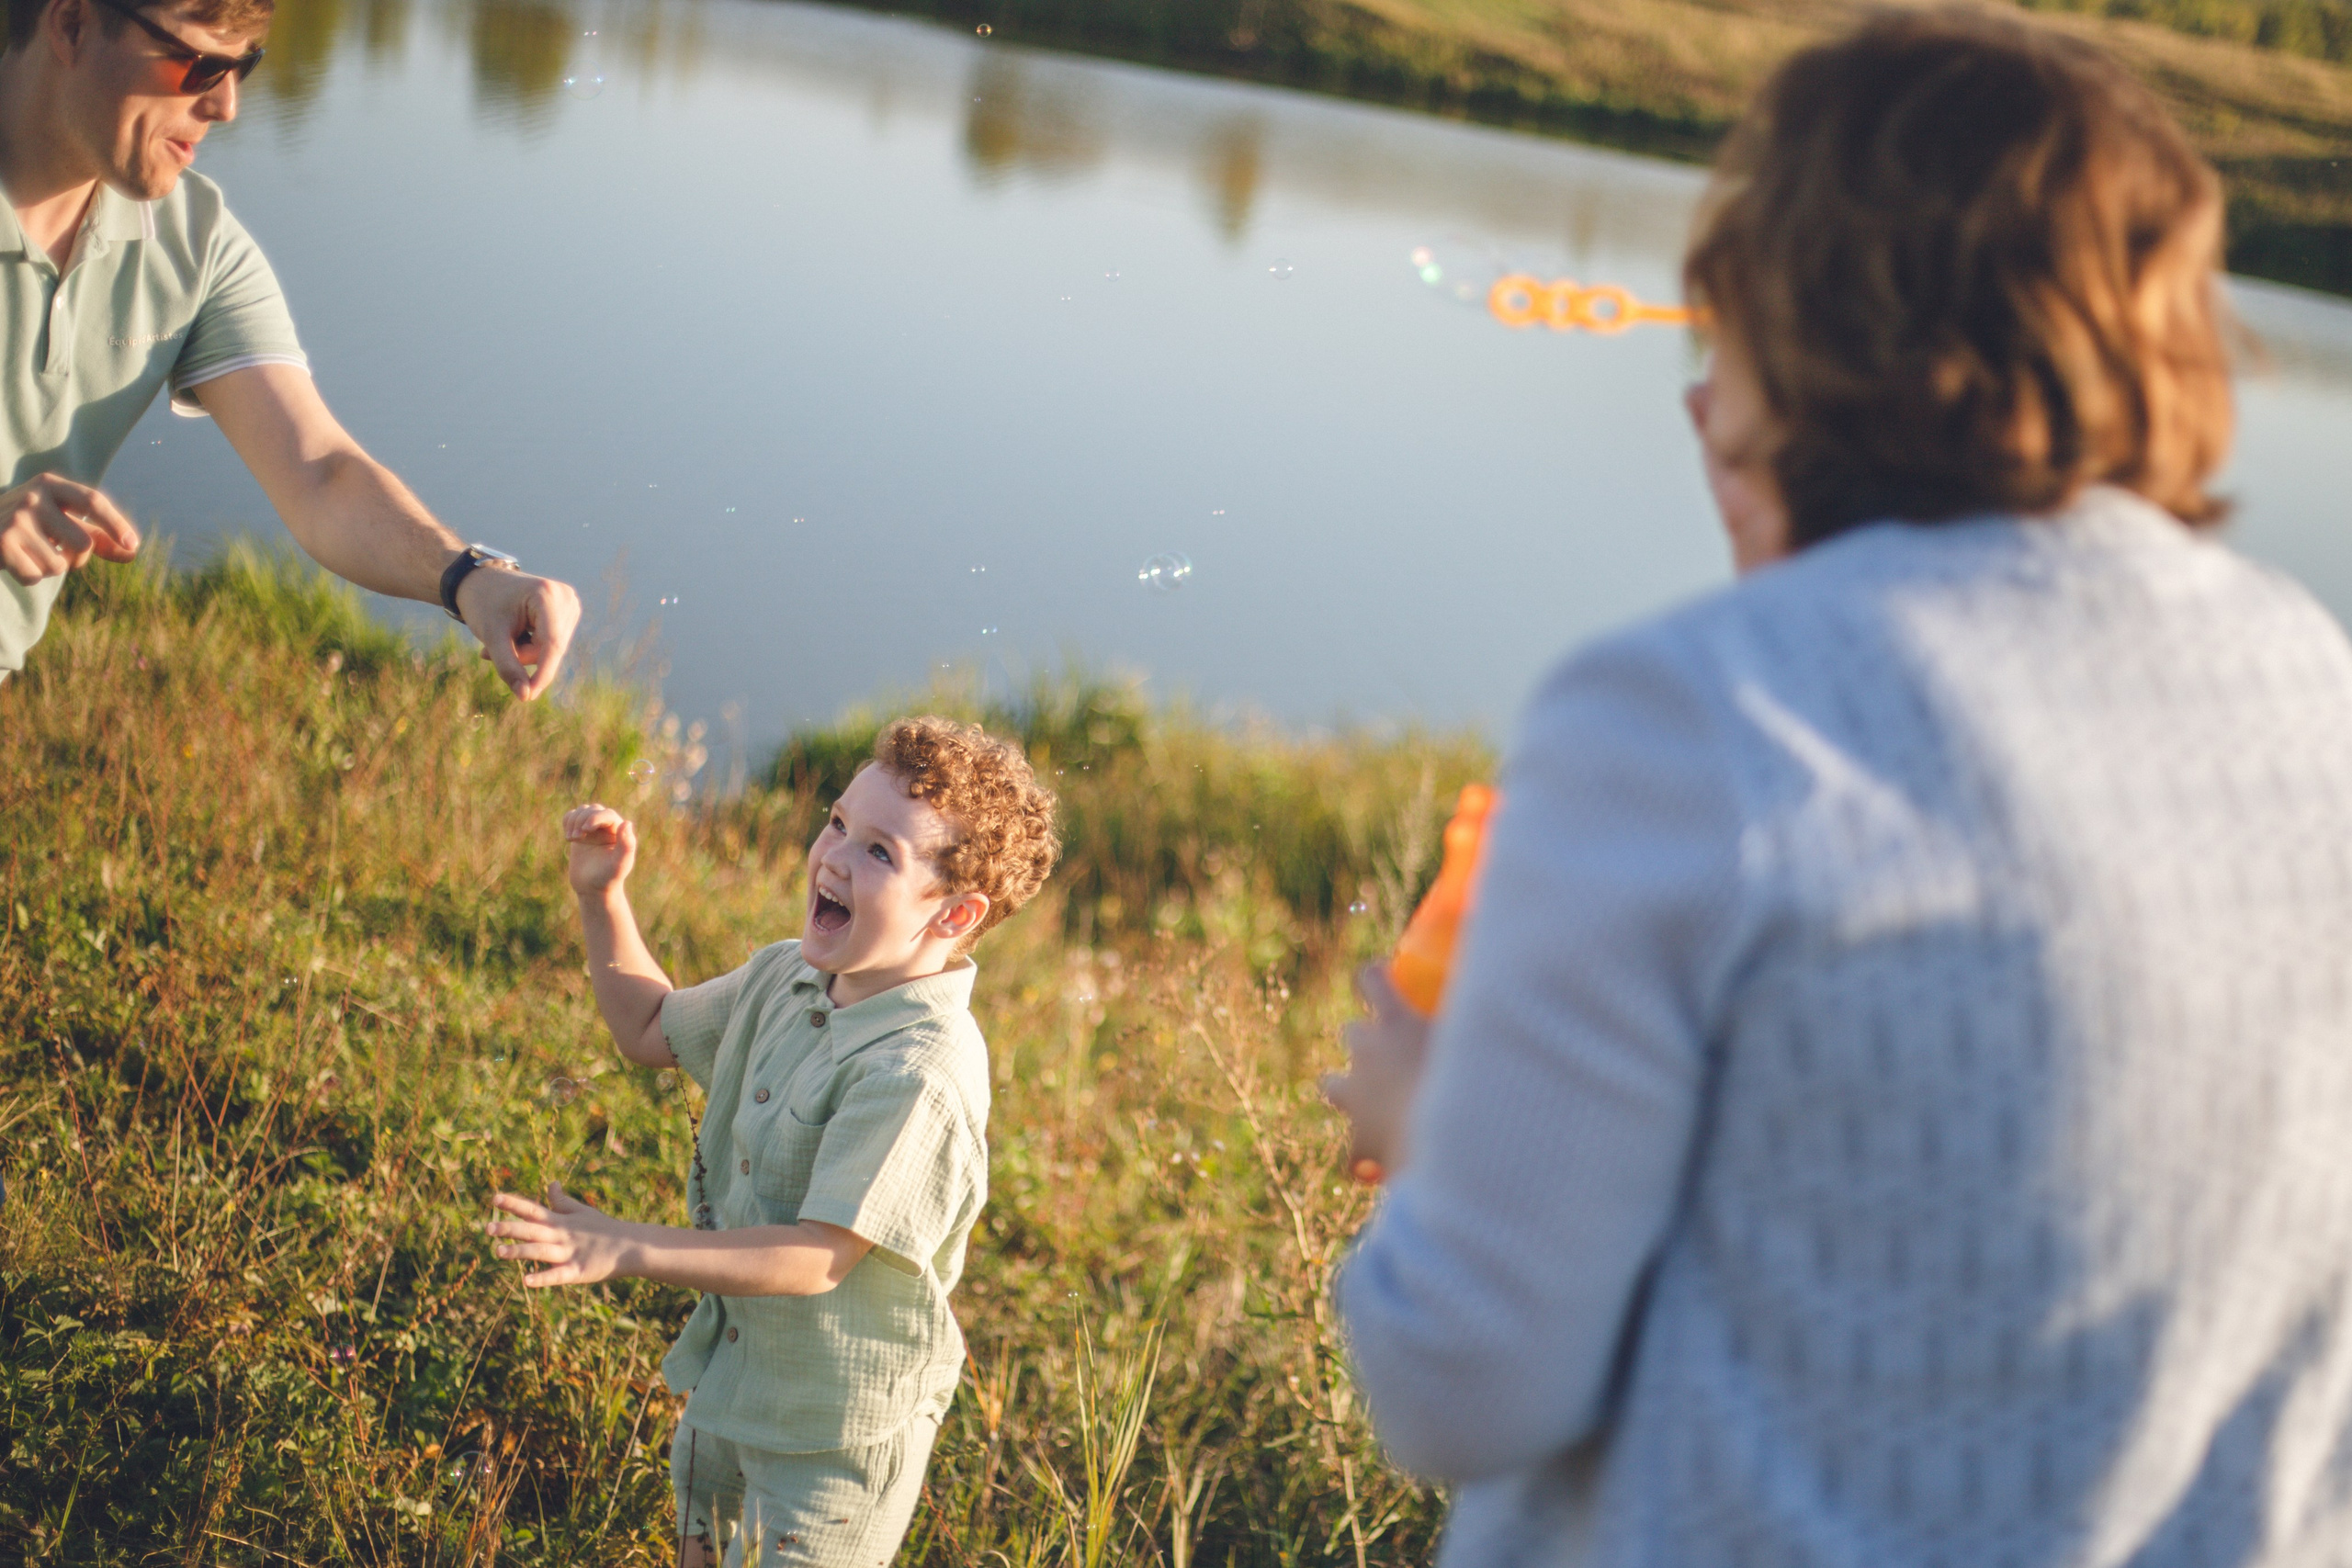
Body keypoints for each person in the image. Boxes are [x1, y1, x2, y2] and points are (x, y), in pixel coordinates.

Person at [1326, 10, 2352, 1565]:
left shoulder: (1688, 713)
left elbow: (1461, 1387)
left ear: (1807, 316)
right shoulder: (2308, 679)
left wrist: (1430, 1120)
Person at [486, 716, 1058, 1568]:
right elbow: (645, 1027)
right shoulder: (783, 974)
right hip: (735, 1380)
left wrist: (629, 1245)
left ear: (956, 912)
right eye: (837, 822)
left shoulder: (919, 1071)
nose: (833, 855)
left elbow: (818, 1257)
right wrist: (601, 896)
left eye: (880, 854)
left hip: (833, 1437)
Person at [0, 0, 578, 693]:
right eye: (202, 64)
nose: (226, 105)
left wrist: (470, 579)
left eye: (244, 66)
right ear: (72, 25)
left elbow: (320, 472)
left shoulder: (193, 242)